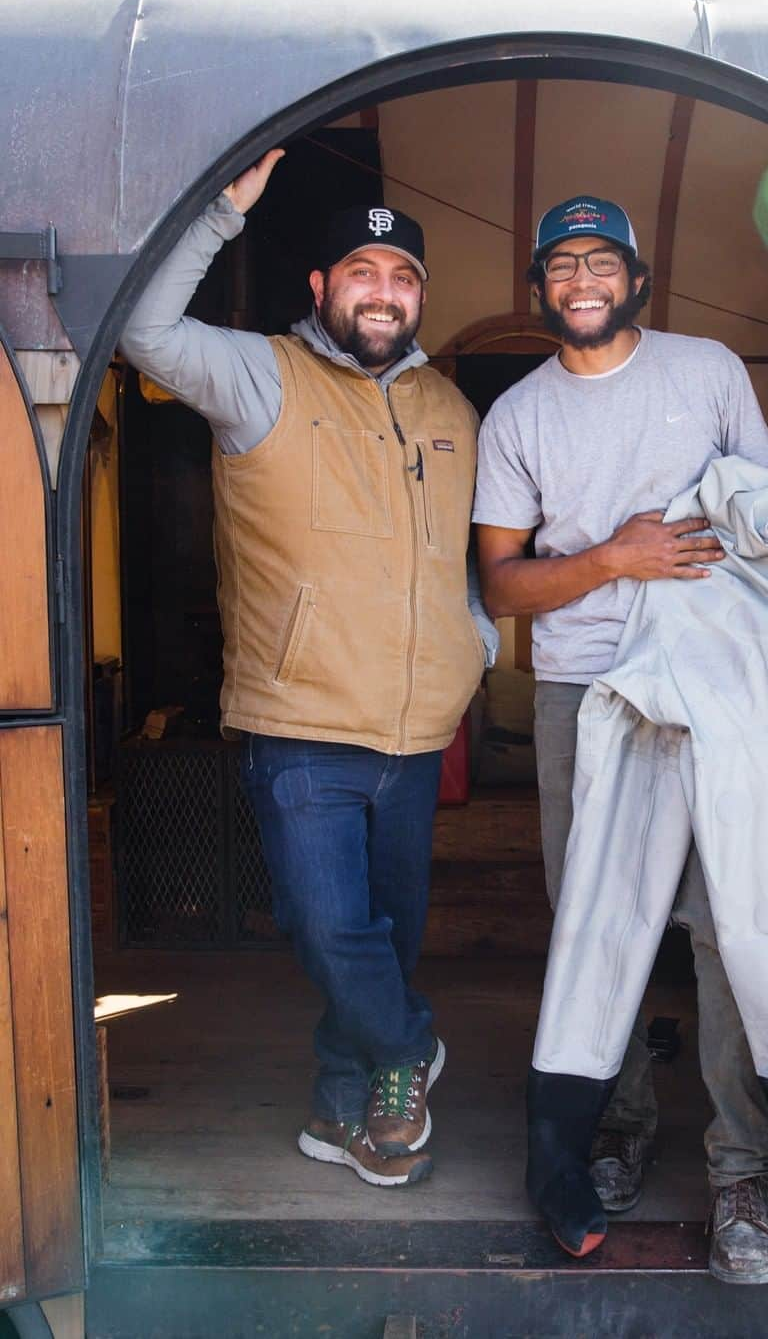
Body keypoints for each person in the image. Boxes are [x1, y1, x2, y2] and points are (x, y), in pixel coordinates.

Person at [473, 195, 768, 1282]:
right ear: (538, 285)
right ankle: (618, 1131)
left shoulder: (708, 370)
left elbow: (767, 510)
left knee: (737, 926)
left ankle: (742, 1169)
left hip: (726, 676)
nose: (580, 280)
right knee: (601, 926)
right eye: (560, 265)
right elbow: (502, 585)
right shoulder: (519, 418)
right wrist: (612, 559)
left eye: (601, 261)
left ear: (638, 277)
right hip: (587, 691)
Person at [120, 150, 498, 1190]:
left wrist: (481, 640)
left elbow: (468, 555)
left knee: (382, 936)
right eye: (364, 272)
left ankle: (350, 1116)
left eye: (404, 277)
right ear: (322, 288)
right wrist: (217, 216)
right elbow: (141, 330)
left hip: (417, 734)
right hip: (302, 724)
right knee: (332, 929)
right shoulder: (258, 376)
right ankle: (410, 1049)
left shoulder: (452, 412)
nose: (385, 292)